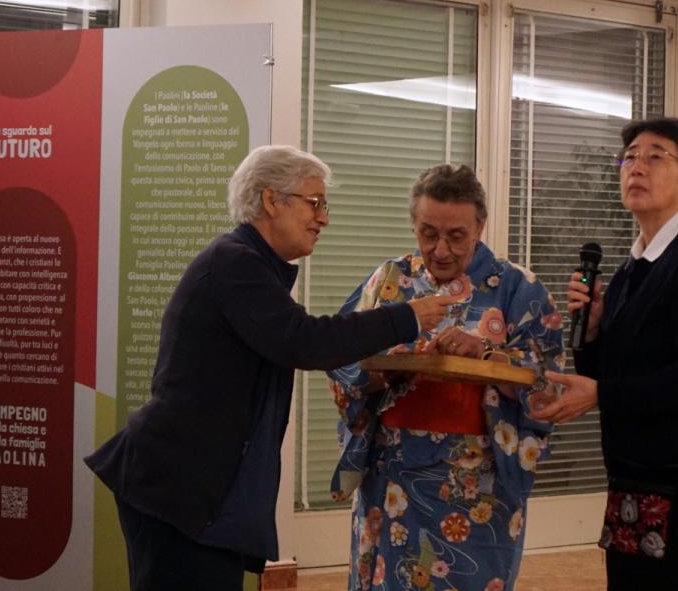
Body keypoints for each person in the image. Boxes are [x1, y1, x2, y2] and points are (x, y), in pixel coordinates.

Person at [85, 145, 455, 591]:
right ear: (270, 200)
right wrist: (406, 317)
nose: (323, 218)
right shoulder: (234, 262)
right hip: (180, 488)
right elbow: (303, 341)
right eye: (314, 202)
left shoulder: (250, 264)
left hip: (194, 489)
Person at [531, 118, 678, 590]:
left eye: (656, 157)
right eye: (630, 157)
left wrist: (602, 394)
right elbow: (614, 371)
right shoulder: (635, 266)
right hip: (641, 472)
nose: (636, 167)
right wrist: (596, 330)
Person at [327, 164, 565, 591]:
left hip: (477, 483)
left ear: (480, 227)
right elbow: (340, 358)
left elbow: (550, 382)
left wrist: (488, 354)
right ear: (413, 224)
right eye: (428, 233)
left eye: (456, 236)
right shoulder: (389, 280)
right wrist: (394, 364)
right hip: (392, 473)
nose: (440, 250)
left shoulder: (519, 288)